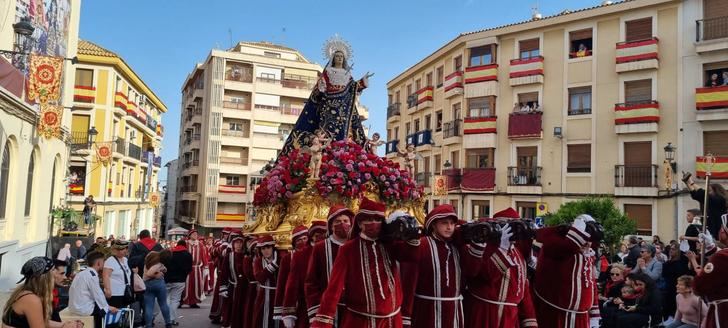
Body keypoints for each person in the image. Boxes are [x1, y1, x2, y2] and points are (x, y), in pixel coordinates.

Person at [310, 198, 420, 328]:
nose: (374, 223)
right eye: (369, 220)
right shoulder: (348, 249)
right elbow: (334, 287)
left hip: (392, 321)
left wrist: (412, 237)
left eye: (378, 220)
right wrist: (324, 319)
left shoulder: (389, 244)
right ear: (360, 223)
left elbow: (411, 256)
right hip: (360, 321)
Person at [279, 40, 370, 156]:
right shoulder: (328, 71)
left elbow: (353, 87)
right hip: (328, 105)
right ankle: (326, 152)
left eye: (341, 56)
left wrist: (363, 81)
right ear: (333, 58)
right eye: (337, 56)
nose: (339, 58)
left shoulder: (347, 74)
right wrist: (321, 86)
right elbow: (320, 88)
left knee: (343, 130)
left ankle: (342, 151)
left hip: (343, 107)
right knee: (326, 129)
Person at [407, 205, 484, 328]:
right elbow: (410, 281)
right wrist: (407, 315)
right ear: (433, 225)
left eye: (452, 224)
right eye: (444, 223)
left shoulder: (458, 247)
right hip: (427, 310)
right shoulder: (422, 245)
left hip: (453, 311)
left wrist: (478, 245)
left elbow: (472, 271)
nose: (449, 227)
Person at [463, 207, 537, 328]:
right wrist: (501, 248)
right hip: (484, 314)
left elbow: (524, 293)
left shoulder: (518, 255)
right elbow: (484, 275)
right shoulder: (486, 248)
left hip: (510, 318)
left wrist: (530, 321)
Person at [533, 214, 601, 328]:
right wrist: (574, 231)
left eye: (590, 240)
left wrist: (594, 313)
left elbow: (590, 284)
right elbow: (560, 245)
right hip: (557, 313)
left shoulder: (588, 255)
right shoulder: (558, 248)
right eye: (585, 238)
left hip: (582, 315)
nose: (588, 243)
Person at [305, 205, 354, 325]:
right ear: (331, 226)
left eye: (345, 221)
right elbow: (311, 282)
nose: (342, 224)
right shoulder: (320, 248)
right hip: (329, 310)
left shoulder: (356, 245)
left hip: (354, 309)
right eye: (338, 221)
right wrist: (316, 311)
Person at [2, 257, 83, 328]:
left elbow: (41, 321)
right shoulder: (31, 299)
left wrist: (65, 324)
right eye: (53, 270)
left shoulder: (27, 292)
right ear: (45, 277)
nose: (55, 274)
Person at [281, 222, 328, 328]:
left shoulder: (335, 251)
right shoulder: (299, 256)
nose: (321, 238)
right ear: (311, 237)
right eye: (317, 236)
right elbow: (291, 286)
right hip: (306, 308)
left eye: (324, 235)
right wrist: (289, 312)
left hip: (330, 307)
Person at [693, 215, 728, 328]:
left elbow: (699, 286)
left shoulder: (722, 257)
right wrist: (712, 248)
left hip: (723, 314)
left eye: (721, 227)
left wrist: (700, 272)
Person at [68, 251, 119, 328]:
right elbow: (98, 295)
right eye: (103, 261)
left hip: (73, 307)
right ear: (98, 263)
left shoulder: (81, 273)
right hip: (83, 309)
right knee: (104, 311)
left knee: (101, 306)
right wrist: (108, 307)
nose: (104, 263)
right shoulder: (92, 275)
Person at [274, 226, 308, 321]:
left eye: (305, 238)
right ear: (294, 242)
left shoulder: (313, 254)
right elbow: (281, 283)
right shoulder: (287, 258)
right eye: (299, 240)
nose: (303, 242)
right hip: (293, 301)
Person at [683, 173, 728, 239]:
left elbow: (703, 193)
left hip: (718, 227)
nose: (708, 193)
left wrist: (691, 182)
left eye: (710, 191)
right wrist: (687, 183)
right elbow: (695, 195)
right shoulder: (710, 200)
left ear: (716, 191)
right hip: (712, 226)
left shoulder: (720, 199)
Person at [253, 235, 281, 328]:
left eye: (268, 247)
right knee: (261, 320)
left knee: (277, 321)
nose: (266, 251)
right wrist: (273, 265)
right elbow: (260, 278)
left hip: (278, 295)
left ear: (273, 248)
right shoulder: (258, 261)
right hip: (263, 296)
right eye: (263, 248)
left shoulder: (281, 259)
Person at [161, 240, 192, 326]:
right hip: (180, 280)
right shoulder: (188, 255)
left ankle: (167, 319)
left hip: (167, 279)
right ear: (185, 246)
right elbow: (189, 268)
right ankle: (171, 319)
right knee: (175, 300)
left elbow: (163, 265)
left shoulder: (170, 253)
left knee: (166, 298)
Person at [142, 251, 172, 328]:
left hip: (147, 284)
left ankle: (148, 325)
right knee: (163, 304)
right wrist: (156, 274)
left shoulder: (151, 254)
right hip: (159, 283)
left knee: (149, 306)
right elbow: (149, 273)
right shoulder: (159, 264)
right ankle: (168, 322)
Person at [662, 245, 692, 320]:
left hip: (678, 288)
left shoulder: (681, 263)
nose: (671, 251)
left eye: (673, 249)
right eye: (670, 249)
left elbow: (680, 274)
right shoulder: (668, 262)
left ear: (678, 251)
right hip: (668, 288)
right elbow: (664, 274)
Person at [209, 228, 232, 324]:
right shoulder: (219, 243)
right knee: (219, 295)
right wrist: (220, 249)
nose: (226, 236)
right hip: (221, 272)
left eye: (228, 234)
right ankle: (217, 315)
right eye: (225, 234)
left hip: (230, 275)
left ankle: (226, 316)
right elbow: (213, 253)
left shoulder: (232, 244)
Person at [226, 233, 249, 328]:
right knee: (232, 306)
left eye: (240, 243)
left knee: (243, 306)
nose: (239, 245)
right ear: (233, 244)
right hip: (233, 286)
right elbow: (224, 272)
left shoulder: (246, 256)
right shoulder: (229, 256)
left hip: (245, 287)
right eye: (237, 243)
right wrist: (223, 286)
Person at [182, 229, 209, 308]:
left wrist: (205, 266)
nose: (195, 235)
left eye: (196, 234)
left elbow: (203, 256)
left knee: (196, 285)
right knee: (185, 285)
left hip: (196, 268)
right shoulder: (186, 244)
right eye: (193, 234)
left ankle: (194, 302)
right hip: (186, 268)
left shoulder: (200, 244)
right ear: (189, 235)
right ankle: (183, 301)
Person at [103, 240, 134, 309]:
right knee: (115, 314)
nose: (125, 251)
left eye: (126, 248)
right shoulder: (110, 261)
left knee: (123, 313)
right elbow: (106, 276)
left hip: (125, 292)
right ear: (116, 250)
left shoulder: (125, 260)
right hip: (115, 293)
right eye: (122, 249)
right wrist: (108, 289)